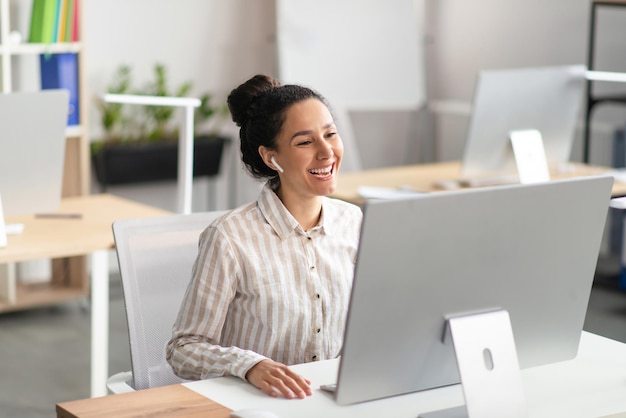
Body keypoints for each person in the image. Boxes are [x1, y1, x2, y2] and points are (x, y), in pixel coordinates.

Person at [166, 74, 362, 399]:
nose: (327, 152)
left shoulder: (352, 221)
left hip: (330, 401)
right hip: (259, 405)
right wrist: (249, 365)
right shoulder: (229, 238)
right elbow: (183, 349)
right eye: (305, 142)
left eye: (330, 134)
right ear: (272, 158)